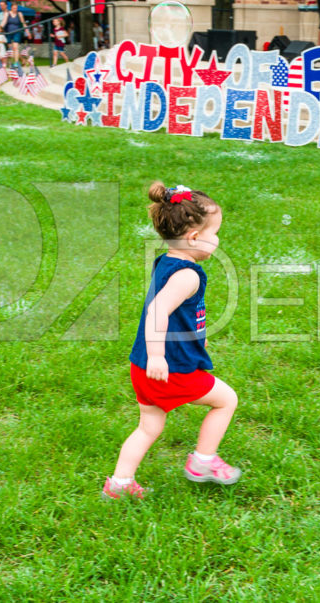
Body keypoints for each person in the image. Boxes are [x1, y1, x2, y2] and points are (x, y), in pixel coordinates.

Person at [104, 182, 242, 500]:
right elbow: (157, 311)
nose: (218, 241)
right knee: (226, 400)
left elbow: (177, 315)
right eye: (215, 234)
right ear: (194, 237)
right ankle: (203, 462)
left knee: (149, 427)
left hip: (142, 366)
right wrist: (158, 357)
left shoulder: (167, 261)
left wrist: (194, 340)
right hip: (170, 368)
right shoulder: (188, 275)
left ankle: (119, 485)